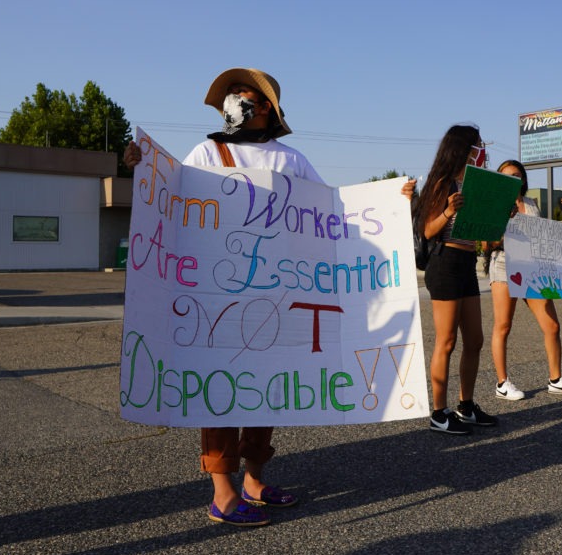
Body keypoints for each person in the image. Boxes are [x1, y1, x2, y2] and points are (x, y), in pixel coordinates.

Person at [124, 67, 414, 527]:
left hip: (277, 294)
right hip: (215, 297)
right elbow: (171, 194)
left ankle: (255, 480)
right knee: (218, 388)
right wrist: (140, 165)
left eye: (246, 96)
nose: (236, 102)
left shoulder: (291, 161)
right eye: (233, 95)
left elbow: (334, 210)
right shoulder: (207, 151)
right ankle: (223, 492)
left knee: (265, 391)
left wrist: (392, 200)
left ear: (268, 110)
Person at [415, 124, 497, 434]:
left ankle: (466, 405)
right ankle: (439, 412)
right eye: (477, 144)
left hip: (467, 262)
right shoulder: (443, 184)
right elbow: (427, 230)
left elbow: (483, 233)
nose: (482, 150)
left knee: (474, 339)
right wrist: (448, 211)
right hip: (445, 263)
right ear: (462, 148)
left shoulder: (475, 184)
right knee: (446, 341)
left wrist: (499, 216)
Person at [483, 159, 562, 400]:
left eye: (517, 175)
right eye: (507, 175)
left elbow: (544, 238)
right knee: (503, 326)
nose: (512, 179)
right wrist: (502, 224)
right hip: (504, 266)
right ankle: (502, 383)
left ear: (523, 179)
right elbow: (488, 244)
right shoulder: (493, 203)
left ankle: (556, 380)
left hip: (532, 268)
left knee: (552, 325)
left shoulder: (530, 203)